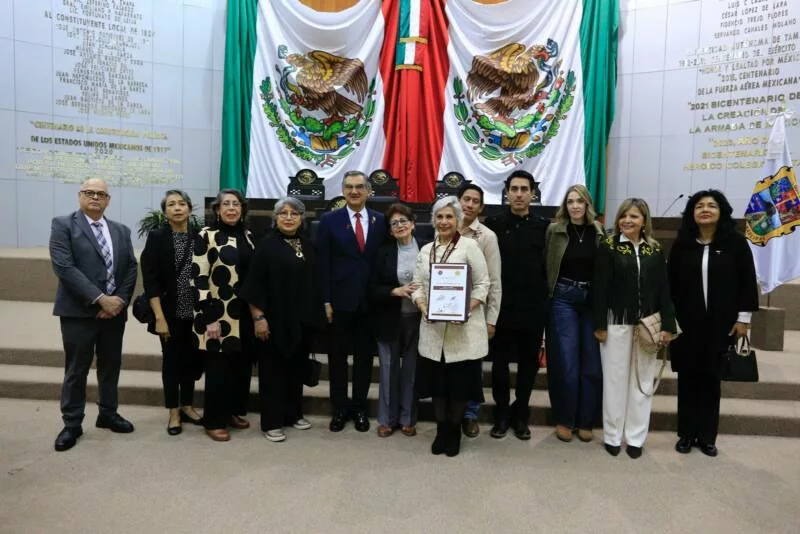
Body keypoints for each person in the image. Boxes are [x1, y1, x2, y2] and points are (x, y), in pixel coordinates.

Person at [49, 178, 138, 452]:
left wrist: (119, 301)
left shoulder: (121, 230)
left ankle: (108, 414)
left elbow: (131, 268)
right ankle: (72, 423)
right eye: (89, 192)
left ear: (108, 200)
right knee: (77, 369)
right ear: (80, 195)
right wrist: (100, 300)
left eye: (101, 194)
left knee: (110, 366)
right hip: (78, 312)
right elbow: (64, 267)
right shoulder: (63, 225)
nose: (95, 197)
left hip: (114, 314)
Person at [668, 190, 758, 457]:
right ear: (692, 213)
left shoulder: (736, 243)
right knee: (687, 379)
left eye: (711, 205)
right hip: (687, 325)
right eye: (699, 206)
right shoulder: (683, 244)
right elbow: (670, 284)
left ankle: (707, 436)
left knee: (711, 379)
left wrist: (743, 319)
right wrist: (669, 319)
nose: (705, 209)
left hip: (722, 325)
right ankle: (686, 434)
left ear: (721, 212)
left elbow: (747, 281)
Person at [593, 198, 677, 459]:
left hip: (647, 326)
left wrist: (668, 325)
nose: (627, 221)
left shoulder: (655, 250)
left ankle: (636, 438)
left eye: (634, 216)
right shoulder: (608, 246)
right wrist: (599, 325)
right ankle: (612, 436)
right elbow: (600, 288)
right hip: (615, 323)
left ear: (644, 221)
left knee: (642, 382)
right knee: (615, 382)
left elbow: (664, 289)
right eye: (624, 216)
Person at [240, 197, 324, 443]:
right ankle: (272, 422)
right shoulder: (266, 245)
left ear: (301, 218)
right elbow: (253, 285)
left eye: (294, 213)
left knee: (296, 371)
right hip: (273, 321)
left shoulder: (307, 244)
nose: (288, 217)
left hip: (300, 321)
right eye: (283, 213)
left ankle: (293, 414)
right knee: (273, 374)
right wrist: (258, 317)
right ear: (275, 218)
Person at [412, 196, 490, 457]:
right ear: (433, 220)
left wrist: (466, 308)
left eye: (449, 217)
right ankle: (441, 430)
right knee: (438, 387)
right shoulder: (426, 250)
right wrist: (423, 306)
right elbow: (417, 286)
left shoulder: (469, 246)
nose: (444, 221)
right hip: (433, 330)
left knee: (458, 387)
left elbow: (483, 284)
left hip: (462, 330)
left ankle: (455, 431)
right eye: (440, 217)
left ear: (458, 220)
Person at [316, 170, 385, 432]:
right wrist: (325, 300)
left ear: (368, 191)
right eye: (349, 187)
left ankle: (359, 408)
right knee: (337, 359)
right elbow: (323, 264)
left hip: (369, 302)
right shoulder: (329, 220)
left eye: (359, 187)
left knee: (364, 359)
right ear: (343, 191)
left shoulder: (380, 220)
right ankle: (339, 408)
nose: (354, 191)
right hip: (339, 303)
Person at [483, 170, 549, 440]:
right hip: (501, 308)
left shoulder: (544, 227)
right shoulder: (493, 225)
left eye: (524, 189)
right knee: (499, 364)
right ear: (507, 193)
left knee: (528, 365)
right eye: (514, 189)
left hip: (533, 308)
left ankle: (521, 414)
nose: (519, 194)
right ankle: (501, 413)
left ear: (533, 194)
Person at [192, 189, 255, 442]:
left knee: (240, 368)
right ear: (217, 210)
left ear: (242, 209)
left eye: (236, 204)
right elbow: (198, 277)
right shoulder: (206, 235)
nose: (231, 208)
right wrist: (209, 317)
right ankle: (214, 420)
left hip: (245, 314)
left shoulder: (248, 236)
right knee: (219, 371)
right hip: (218, 315)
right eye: (226, 204)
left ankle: (232, 412)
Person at [140, 190, 204, 436]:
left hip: (195, 313)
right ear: (165, 212)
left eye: (181, 204)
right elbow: (151, 280)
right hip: (168, 313)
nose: (177, 208)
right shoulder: (157, 237)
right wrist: (159, 318)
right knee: (171, 362)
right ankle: (173, 411)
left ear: (189, 209)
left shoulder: (200, 236)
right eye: (171, 205)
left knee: (191, 360)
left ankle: (187, 405)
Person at [544, 184, 605, 443]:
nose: (575, 206)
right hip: (563, 298)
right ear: (565, 205)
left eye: (580, 201)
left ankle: (586, 421)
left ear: (588, 204)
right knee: (567, 361)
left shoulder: (599, 231)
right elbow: (546, 263)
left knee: (592, 364)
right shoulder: (555, 230)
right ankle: (565, 418)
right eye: (570, 201)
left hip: (591, 300)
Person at [368, 203, 427, 438]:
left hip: (419, 319)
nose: (400, 225)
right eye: (394, 223)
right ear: (390, 231)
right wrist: (395, 291)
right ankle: (387, 420)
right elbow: (371, 287)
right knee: (388, 369)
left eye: (404, 221)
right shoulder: (382, 252)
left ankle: (407, 419)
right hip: (389, 317)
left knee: (412, 370)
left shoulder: (427, 248)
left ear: (413, 224)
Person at [457, 183, 502, 438]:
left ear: (481, 207)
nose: (470, 204)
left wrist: (491, 319)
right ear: (458, 201)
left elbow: (494, 281)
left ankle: (471, 414)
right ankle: (452, 410)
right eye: (466, 199)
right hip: (447, 311)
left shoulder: (487, 236)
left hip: (476, 312)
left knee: (473, 366)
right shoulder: (444, 226)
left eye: (475, 201)